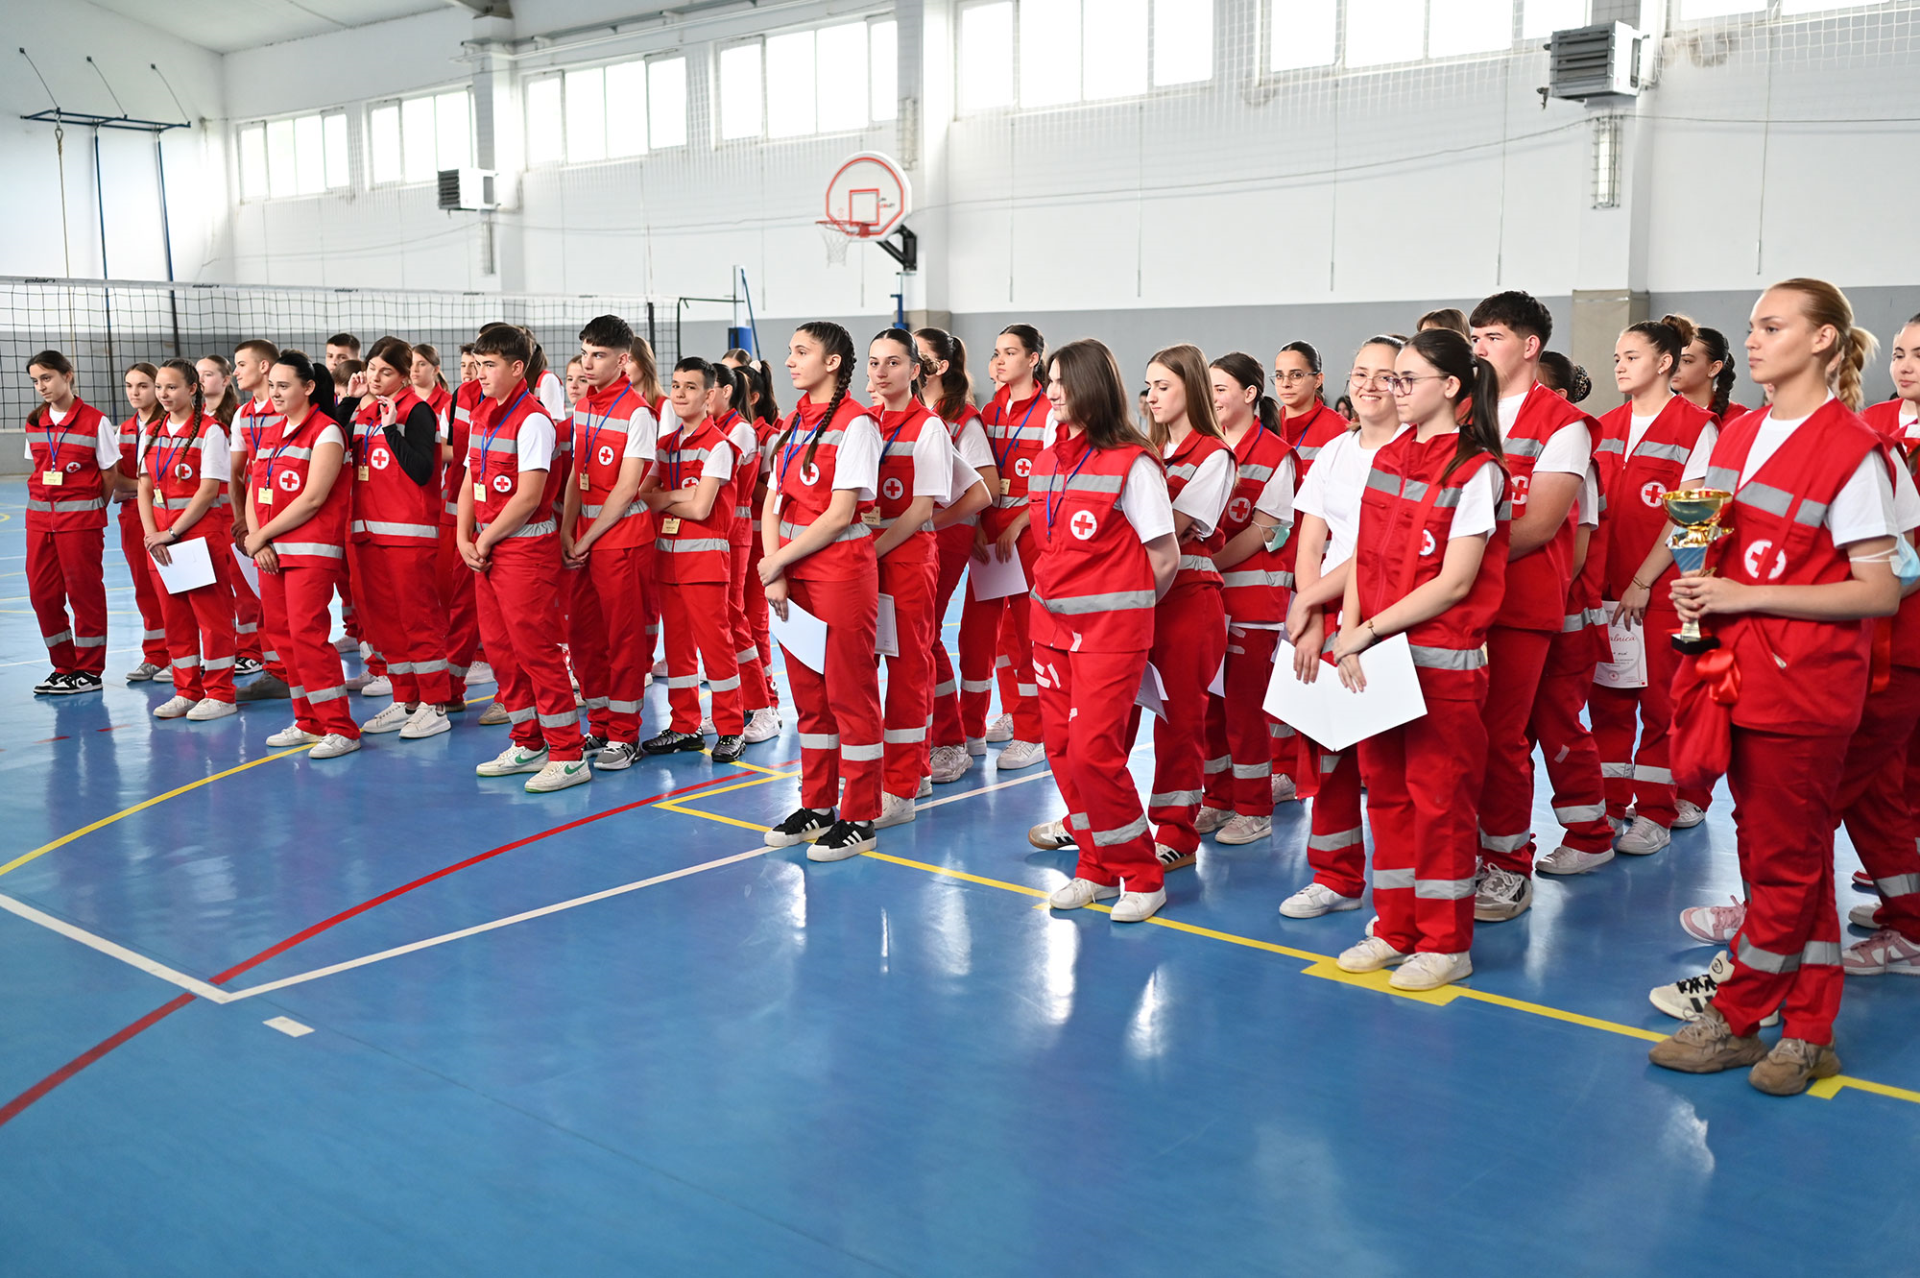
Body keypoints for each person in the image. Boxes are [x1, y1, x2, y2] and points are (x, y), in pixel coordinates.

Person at [1647, 279, 1905, 1096]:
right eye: (1752, 327)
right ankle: (1808, 1030)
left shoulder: (1854, 451)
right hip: (1731, 677)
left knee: (1785, 863)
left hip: (1804, 690)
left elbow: (1879, 591)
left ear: (1824, 339)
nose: (1752, 340)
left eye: (1772, 326)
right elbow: (1709, 548)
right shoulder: (1735, 434)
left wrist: (1744, 596)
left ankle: (1741, 1015)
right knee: (1778, 855)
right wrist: (1698, 590)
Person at [1330, 328, 1509, 991]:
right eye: (1390, 379)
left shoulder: (1476, 470)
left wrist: (1368, 630)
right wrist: (1350, 629)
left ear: (1452, 387)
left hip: (1440, 665)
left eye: (1407, 380)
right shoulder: (1388, 457)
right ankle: (1395, 927)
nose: (1392, 390)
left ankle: (1445, 942)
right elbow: (1363, 556)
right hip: (1377, 659)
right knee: (1388, 799)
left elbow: (1455, 582)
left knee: (1440, 805)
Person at [1029, 338, 1180, 924]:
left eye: (1062, 381)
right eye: (1049, 380)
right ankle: (1094, 866)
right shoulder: (1048, 459)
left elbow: (1163, 557)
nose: (1052, 391)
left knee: (1095, 753)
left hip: (1110, 635)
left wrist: (1126, 613)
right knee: (1063, 752)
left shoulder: (1133, 463)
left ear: (1092, 386)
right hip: (1050, 629)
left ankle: (1140, 874)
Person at [1468, 291, 1608, 920]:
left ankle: (1507, 865)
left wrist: (1452, 558)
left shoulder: (1562, 424)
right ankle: (1460, 852)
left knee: (1502, 738)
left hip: (1517, 606)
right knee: (1454, 737)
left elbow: (1542, 524)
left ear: (1529, 346)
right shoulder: (1459, 408)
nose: (1479, 349)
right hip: (1451, 601)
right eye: (1474, 338)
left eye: (1492, 337)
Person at [1279, 336, 1408, 917]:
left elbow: (1376, 551)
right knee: (1327, 748)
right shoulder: (1334, 451)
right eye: (1360, 373)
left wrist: (1309, 603)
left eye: (1385, 375)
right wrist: (1311, 616)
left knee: (1385, 762)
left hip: (1385, 616)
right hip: (1326, 610)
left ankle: (1403, 899)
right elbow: (1311, 541)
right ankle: (1335, 878)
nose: (1370, 385)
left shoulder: (1414, 454)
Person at [1585, 317, 1719, 863]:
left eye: (1632, 357)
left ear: (1664, 363)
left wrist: (1643, 580)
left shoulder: (1698, 427)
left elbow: (1695, 518)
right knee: (1609, 704)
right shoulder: (1604, 426)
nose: (1620, 366)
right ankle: (1610, 806)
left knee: (1663, 706)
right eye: (1617, 357)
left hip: (1662, 593)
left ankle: (1656, 812)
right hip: (1606, 592)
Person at [758, 322, 886, 860]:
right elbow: (774, 503)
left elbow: (838, 515)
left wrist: (775, 562)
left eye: (802, 352)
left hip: (838, 576)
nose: (790, 361)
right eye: (790, 352)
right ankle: (817, 804)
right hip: (793, 578)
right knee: (809, 699)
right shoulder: (792, 424)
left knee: (849, 696)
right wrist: (776, 571)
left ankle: (860, 815)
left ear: (832, 362)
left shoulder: (857, 425)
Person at [457, 324, 591, 792]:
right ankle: (528, 741)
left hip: (523, 551)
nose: (480, 373)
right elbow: (471, 480)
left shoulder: (532, 420)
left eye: (490, 365)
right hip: (487, 548)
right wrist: (464, 537)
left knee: (536, 651)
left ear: (518, 368)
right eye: (478, 364)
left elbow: (530, 496)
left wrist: (485, 539)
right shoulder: (480, 414)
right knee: (500, 651)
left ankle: (568, 754)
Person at [865, 329, 973, 827]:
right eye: (874, 362)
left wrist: (870, 551)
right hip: (868, 562)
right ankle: (910, 770)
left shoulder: (928, 427)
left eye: (893, 362)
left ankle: (902, 787)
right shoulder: (864, 423)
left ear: (915, 371)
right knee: (866, 667)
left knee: (908, 670)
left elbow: (921, 509)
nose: (881, 371)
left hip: (905, 561)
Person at [239, 350, 360, 758]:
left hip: (309, 551)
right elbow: (255, 489)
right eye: (272, 385)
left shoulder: (327, 432)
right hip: (271, 551)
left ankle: (340, 727)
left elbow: (312, 498)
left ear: (308, 388)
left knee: (307, 636)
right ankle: (309, 721)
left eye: (283, 386)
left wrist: (261, 536)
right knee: (282, 636)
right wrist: (258, 540)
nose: (274, 393)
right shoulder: (270, 432)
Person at [1196, 352, 1292, 846]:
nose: (1212, 397)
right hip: (1208, 598)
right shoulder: (1204, 447)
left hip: (1251, 601)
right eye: (1208, 387)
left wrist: (1207, 563)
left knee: (1244, 708)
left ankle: (1254, 808)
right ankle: (1217, 797)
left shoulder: (1276, 454)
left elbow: (1264, 530)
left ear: (1250, 394)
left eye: (1221, 388)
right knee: (1209, 706)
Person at [560, 314, 660, 770]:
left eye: (598, 355)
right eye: (585, 353)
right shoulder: (584, 407)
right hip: (585, 539)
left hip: (622, 542)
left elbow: (626, 489)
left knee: (623, 641)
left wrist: (586, 536)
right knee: (583, 637)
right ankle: (600, 725)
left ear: (622, 361)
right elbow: (575, 475)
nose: (587, 363)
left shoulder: (638, 413)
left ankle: (624, 735)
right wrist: (568, 530)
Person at [343, 336, 454, 740]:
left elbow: (423, 470)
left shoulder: (417, 410)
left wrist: (392, 431)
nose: (375, 377)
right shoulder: (364, 409)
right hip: (367, 533)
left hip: (408, 536)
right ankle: (406, 698)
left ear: (405, 375)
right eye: (371, 368)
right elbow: (336, 442)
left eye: (385, 371)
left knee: (418, 620)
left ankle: (434, 704)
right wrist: (349, 401)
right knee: (384, 624)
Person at [639, 357, 747, 763]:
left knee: (716, 648)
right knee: (678, 649)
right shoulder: (664, 446)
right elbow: (645, 497)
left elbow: (702, 509)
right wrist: (678, 495)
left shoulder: (719, 445)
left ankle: (731, 728)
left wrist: (665, 498)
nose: (680, 394)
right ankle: (684, 726)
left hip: (704, 564)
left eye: (691, 387)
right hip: (666, 562)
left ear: (709, 395)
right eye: (676, 385)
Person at [959, 325, 1052, 771]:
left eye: (1010, 352)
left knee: (1026, 635)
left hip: (1027, 530)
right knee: (984, 636)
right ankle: (990, 721)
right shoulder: (988, 411)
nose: (999, 360)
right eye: (996, 352)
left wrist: (1019, 522)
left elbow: (1054, 484)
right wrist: (979, 523)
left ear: (1033, 359)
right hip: (989, 529)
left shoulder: (1050, 412)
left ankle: (1034, 732)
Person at [916, 325, 999, 785]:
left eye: (914, 354)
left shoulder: (962, 419)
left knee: (925, 634)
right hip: (910, 534)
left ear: (939, 366)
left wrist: (933, 522)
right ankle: (929, 732)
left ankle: (952, 738)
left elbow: (986, 487)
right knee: (909, 636)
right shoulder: (910, 412)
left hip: (943, 534)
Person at [139, 359, 239, 721]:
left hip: (197, 537)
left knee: (212, 618)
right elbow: (144, 486)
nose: (164, 394)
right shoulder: (151, 431)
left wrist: (172, 532)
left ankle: (221, 693)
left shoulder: (211, 432)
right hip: (160, 540)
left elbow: (208, 489)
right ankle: (186, 690)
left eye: (172, 387)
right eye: (160, 387)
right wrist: (152, 535)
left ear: (192, 389)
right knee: (175, 618)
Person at [23, 350, 115, 696]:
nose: (41, 386)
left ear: (67, 375)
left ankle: (89, 669)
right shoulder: (35, 422)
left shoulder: (96, 422)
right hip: (39, 523)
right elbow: (38, 468)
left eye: (46, 378)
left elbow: (109, 475)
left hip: (80, 524)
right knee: (42, 595)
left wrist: (91, 508)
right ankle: (63, 665)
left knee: (84, 595)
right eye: (35, 381)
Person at [710, 362, 778, 741]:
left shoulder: (744, 432)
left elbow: (757, 492)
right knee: (722, 621)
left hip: (743, 536)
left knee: (745, 620)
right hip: (719, 535)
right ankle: (734, 704)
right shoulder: (713, 428)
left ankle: (766, 704)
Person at [228, 339, 296, 703]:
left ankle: (298, 673)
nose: (235, 372)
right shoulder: (243, 414)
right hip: (258, 518)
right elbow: (238, 473)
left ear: (265, 367)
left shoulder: (288, 408)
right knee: (266, 601)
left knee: (293, 607)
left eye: (241, 364)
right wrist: (243, 519)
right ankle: (277, 672)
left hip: (289, 518)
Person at [199, 354, 263, 679]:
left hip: (233, 513)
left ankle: (252, 650)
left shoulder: (236, 418)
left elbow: (241, 472)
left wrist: (243, 516)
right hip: (205, 516)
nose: (201, 380)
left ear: (226, 380)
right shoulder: (192, 421)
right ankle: (226, 650)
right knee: (215, 589)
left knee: (246, 587)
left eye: (208, 374)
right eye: (197, 374)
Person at [114, 363, 173, 683]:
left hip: (167, 516)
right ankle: (155, 655)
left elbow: (168, 483)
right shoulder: (123, 430)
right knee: (144, 588)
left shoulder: (173, 426)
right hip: (133, 517)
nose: (134, 392)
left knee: (174, 587)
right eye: (129, 385)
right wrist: (145, 487)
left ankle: (181, 655)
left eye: (143, 385)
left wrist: (137, 486)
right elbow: (116, 482)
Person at [1671, 320, 1751, 425]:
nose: (1675, 367)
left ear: (1714, 368)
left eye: (1687, 361)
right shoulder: (1659, 412)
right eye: (1675, 359)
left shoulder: (1742, 419)